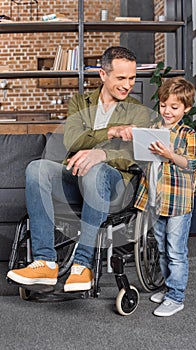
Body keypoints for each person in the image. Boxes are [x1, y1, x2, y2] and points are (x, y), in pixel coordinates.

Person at [7, 46, 151, 292]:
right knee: (36, 168)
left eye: (132, 78)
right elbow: (72, 140)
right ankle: (45, 262)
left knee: (96, 170)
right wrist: (112, 132)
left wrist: (101, 154)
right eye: (121, 78)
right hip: (77, 180)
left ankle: (82, 264)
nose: (128, 85)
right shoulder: (79, 103)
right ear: (103, 75)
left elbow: (134, 157)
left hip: (115, 186)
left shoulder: (138, 111)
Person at [135, 77, 196, 316]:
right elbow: (144, 161)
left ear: (186, 109)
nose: (167, 111)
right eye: (164, 105)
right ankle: (168, 288)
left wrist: (170, 154)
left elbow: (193, 163)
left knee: (176, 251)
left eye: (174, 107)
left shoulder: (188, 134)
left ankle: (176, 297)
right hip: (156, 199)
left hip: (178, 202)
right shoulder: (152, 130)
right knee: (162, 249)